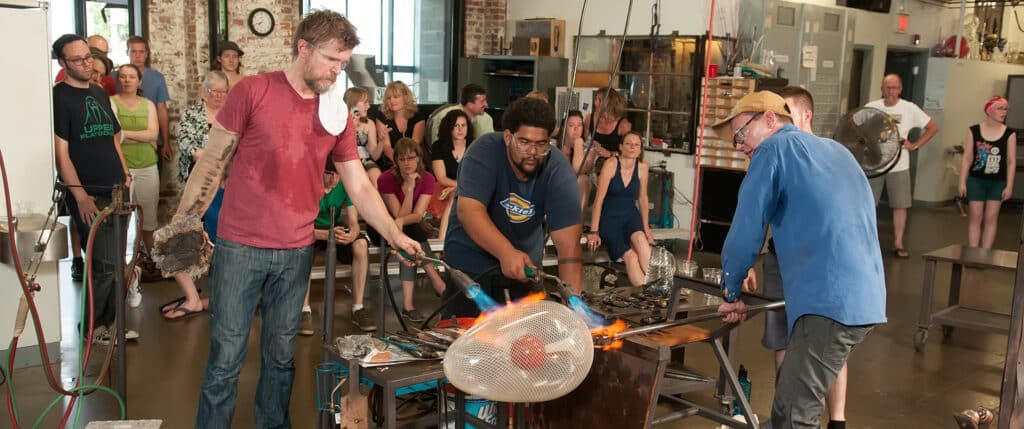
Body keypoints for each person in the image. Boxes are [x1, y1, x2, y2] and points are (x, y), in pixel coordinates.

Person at [157, 11, 422, 428]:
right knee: (226, 358)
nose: (339, 70)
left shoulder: (334, 112)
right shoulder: (253, 91)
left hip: (296, 250)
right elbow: (211, 162)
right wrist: (183, 222)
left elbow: (358, 184)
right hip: (241, 246)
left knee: (281, 360)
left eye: (343, 61)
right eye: (333, 60)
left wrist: (392, 232)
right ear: (303, 48)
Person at [712, 91, 886, 428]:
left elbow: (746, 227)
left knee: (793, 414)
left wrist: (731, 290)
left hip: (828, 302)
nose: (738, 145)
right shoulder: (837, 150)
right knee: (793, 405)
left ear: (770, 119)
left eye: (740, 134)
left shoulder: (772, 150)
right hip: (863, 295)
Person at [752, 86, 849, 429]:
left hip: (819, 266)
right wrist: (749, 259)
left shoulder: (829, 155)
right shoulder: (775, 154)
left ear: (806, 115)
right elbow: (759, 211)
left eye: (788, 113)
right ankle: (786, 415)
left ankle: (836, 420)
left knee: (826, 344)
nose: (781, 123)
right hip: (781, 261)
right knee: (783, 337)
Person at [442, 97, 583, 317]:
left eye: (541, 144)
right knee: (470, 343)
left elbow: (569, 247)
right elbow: (469, 211)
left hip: (524, 270)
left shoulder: (558, 170)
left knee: (526, 342)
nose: (533, 152)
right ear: (508, 137)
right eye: (524, 142)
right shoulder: (483, 152)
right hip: (469, 266)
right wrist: (505, 252)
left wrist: (574, 306)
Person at [51, 34, 134, 343]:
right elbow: (62, 154)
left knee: (115, 263)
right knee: (101, 263)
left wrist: (126, 173)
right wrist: (80, 196)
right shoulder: (58, 98)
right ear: (62, 63)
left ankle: (111, 324)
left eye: (88, 57)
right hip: (89, 193)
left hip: (117, 188)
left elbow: (114, 137)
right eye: (77, 60)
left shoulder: (99, 93)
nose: (86, 63)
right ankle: (92, 327)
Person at [160, 70, 231, 320]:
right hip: (199, 185)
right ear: (204, 91)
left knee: (220, 240)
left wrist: (224, 168)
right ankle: (192, 296)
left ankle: (218, 296)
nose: (219, 97)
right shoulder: (192, 114)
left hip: (225, 186)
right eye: (214, 92)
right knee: (182, 235)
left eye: (223, 92)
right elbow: (190, 147)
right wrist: (215, 162)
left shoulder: (231, 115)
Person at [865, 74, 938, 259]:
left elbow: (932, 127)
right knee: (868, 203)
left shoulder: (909, 108)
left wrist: (915, 145)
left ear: (900, 89)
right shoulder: (872, 107)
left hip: (899, 164)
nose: (890, 91)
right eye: (887, 87)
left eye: (894, 87)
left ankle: (898, 243)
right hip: (875, 163)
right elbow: (859, 128)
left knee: (900, 205)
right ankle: (867, 241)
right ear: (882, 88)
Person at [299, 160, 375, 335]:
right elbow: (299, 224)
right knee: (304, 248)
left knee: (361, 245)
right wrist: (324, 234)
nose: (333, 179)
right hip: (311, 229)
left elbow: (354, 221)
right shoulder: (308, 184)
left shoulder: (345, 184)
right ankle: (304, 311)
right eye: (328, 173)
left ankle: (358, 307)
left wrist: (353, 233)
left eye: (337, 174)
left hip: (335, 227)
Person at [378, 138, 446, 322]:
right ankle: (437, 282)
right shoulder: (385, 179)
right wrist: (409, 189)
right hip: (384, 225)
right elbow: (397, 214)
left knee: (411, 233)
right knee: (410, 234)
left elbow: (416, 215)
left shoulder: (428, 179)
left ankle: (409, 305)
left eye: (411, 158)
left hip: (410, 227)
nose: (407, 163)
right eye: (402, 159)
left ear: (418, 159)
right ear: (396, 161)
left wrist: (400, 220)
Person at [110, 63, 160, 308]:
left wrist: (126, 133)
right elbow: (113, 136)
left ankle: (152, 265)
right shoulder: (111, 102)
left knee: (148, 221)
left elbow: (153, 135)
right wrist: (138, 134)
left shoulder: (148, 105)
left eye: (132, 77)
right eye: (123, 77)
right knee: (123, 224)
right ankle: (123, 271)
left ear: (140, 81)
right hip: (123, 170)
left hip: (148, 166)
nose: (127, 80)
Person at [586, 132, 653, 287]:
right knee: (631, 257)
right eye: (628, 144)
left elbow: (643, 199)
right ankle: (647, 294)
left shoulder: (642, 167)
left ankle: (658, 289)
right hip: (611, 219)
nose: (633, 148)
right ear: (621, 147)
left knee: (641, 240)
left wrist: (646, 227)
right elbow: (599, 200)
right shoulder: (611, 164)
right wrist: (594, 231)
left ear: (641, 149)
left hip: (630, 215)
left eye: (637, 145)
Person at [959, 96, 1016, 249]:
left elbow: (1011, 161)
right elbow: (967, 158)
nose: (1004, 112)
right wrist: (962, 181)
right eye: (1000, 108)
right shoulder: (974, 131)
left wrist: (1009, 186)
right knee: (975, 217)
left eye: (1006, 109)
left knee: (991, 218)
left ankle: (985, 254)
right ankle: (973, 252)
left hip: (998, 182)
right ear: (989, 110)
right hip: (976, 180)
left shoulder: (1009, 134)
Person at [115, 36, 172, 162]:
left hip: (151, 139)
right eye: (134, 51)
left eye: (141, 52)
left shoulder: (157, 78)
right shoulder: (115, 76)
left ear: (147, 54)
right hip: (122, 141)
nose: (137, 55)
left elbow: (161, 110)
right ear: (127, 53)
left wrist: (166, 142)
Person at [583, 87, 631, 209]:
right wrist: (592, 145)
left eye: (599, 100)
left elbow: (630, 155)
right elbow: (584, 143)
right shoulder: (589, 119)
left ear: (609, 103)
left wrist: (609, 154)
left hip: (614, 167)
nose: (595, 103)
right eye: (596, 100)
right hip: (592, 167)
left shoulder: (623, 125)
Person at [430, 109, 475, 240]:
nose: (460, 129)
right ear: (448, 128)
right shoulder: (438, 146)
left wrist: (462, 187)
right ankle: (442, 242)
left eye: (463, 125)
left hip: (472, 187)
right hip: (446, 187)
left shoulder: (476, 145)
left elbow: (478, 176)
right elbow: (441, 178)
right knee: (453, 195)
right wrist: (458, 187)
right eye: (456, 125)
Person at [374, 80, 424, 171]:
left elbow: (415, 144)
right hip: (390, 160)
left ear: (405, 98)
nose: (392, 101)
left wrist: (407, 163)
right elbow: (386, 147)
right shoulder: (382, 116)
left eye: (396, 97)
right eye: (388, 98)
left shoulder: (417, 116)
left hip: (413, 159)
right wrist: (399, 162)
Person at [427, 83, 493, 145]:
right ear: (470, 104)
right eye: (482, 101)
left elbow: (488, 145)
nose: (486, 105)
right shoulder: (446, 116)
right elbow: (438, 148)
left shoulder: (486, 119)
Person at [344, 87, 382, 186]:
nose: (368, 106)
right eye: (365, 103)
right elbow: (342, 148)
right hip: (348, 161)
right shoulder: (340, 122)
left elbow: (374, 155)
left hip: (365, 160)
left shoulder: (369, 123)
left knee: (377, 179)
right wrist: (351, 128)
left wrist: (381, 141)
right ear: (353, 104)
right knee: (362, 178)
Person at [560, 110, 597, 212]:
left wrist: (578, 144)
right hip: (560, 187)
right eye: (571, 125)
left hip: (585, 189)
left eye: (580, 125)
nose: (576, 129)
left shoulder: (590, 148)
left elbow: (578, 169)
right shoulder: (554, 147)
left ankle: (577, 225)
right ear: (564, 128)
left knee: (581, 179)